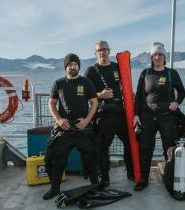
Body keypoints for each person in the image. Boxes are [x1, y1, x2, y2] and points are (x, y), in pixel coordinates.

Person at [43, 53, 99, 200]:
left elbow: (94, 103)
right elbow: (51, 103)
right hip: (65, 127)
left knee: (90, 157)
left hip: (82, 127)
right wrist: (59, 119)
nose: (73, 67)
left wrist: (87, 121)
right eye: (70, 65)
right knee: (56, 158)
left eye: (75, 64)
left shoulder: (86, 82)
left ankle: (95, 186)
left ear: (78, 66)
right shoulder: (58, 83)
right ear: (66, 67)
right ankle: (54, 188)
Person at [133, 42, 185, 191]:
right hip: (147, 116)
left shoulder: (171, 73)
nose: (157, 57)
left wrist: (176, 102)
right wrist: (136, 115)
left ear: (164, 57)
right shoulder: (145, 73)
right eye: (155, 55)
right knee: (146, 147)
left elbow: (182, 92)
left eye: (160, 55)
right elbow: (138, 97)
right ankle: (144, 179)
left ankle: (171, 178)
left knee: (169, 147)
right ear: (151, 57)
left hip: (167, 116)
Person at [84, 41, 133, 187]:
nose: (102, 52)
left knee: (129, 143)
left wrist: (130, 94)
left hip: (120, 111)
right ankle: (105, 177)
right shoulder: (90, 71)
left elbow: (124, 86)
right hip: (103, 114)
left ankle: (131, 172)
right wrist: (100, 95)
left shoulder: (117, 67)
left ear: (109, 51)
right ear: (95, 53)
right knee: (103, 147)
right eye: (99, 50)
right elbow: (86, 95)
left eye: (104, 49)